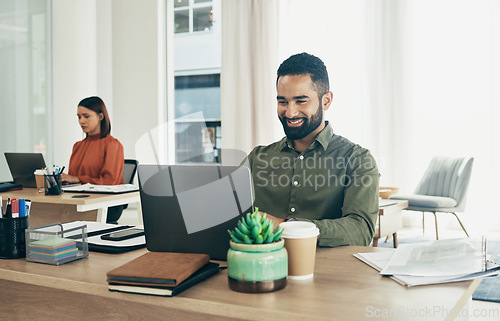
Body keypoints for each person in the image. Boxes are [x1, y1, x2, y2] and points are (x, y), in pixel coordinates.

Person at [247, 53, 379, 247]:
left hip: (329, 272)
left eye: (301, 101)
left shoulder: (357, 160)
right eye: (283, 102)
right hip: (259, 268)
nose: (290, 112)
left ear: (326, 101)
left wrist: (287, 227)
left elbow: (360, 231)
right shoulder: (256, 158)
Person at [61, 96, 125, 224]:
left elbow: (109, 182)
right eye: (79, 117)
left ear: (100, 117)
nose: (81, 121)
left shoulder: (113, 144)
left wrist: (78, 179)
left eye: (86, 116)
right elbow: (72, 181)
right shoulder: (77, 146)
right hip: (80, 200)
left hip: (105, 203)